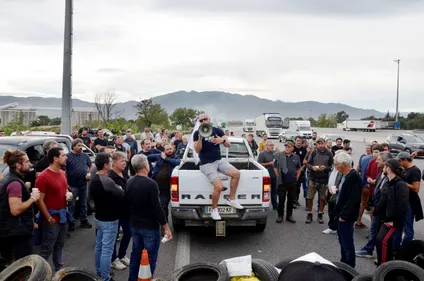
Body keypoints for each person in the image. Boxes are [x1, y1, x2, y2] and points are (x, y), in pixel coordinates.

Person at [126, 154, 173, 281]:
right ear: (146, 165)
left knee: (135, 254)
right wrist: (166, 227)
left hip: (135, 225)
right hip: (150, 227)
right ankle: (147, 278)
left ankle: (133, 278)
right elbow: (157, 208)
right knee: (150, 257)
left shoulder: (129, 182)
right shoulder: (151, 184)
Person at [193, 114, 243, 220]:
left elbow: (228, 144)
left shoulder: (217, 130)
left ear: (209, 120)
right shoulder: (197, 133)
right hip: (206, 164)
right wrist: (200, 138)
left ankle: (232, 199)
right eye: (201, 120)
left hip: (219, 160)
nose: (203, 122)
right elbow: (197, 150)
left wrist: (223, 140)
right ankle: (214, 210)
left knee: (236, 174)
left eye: (205, 119)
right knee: (219, 187)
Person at [35, 147, 72, 272]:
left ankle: (59, 270)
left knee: (59, 246)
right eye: (63, 155)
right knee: (47, 249)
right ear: (55, 158)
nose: (66, 157)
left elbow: (65, 188)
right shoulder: (43, 177)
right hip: (51, 219)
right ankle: (38, 274)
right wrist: (48, 217)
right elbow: (39, 200)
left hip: (63, 216)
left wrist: (67, 195)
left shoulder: (62, 172)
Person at [0, 150, 40, 263]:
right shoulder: (15, 183)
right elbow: (15, 210)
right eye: (27, 162)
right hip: (17, 234)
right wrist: (33, 198)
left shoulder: (9, 179)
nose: (30, 164)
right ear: (18, 165)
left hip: (12, 230)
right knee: (22, 266)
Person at [91, 153, 124, 281]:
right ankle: (105, 277)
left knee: (99, 247)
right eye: (110, 162)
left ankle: (99, 272)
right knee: (107, 251)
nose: (111, 163)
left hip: (99, 218)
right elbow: (121, 193)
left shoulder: (94, 179)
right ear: (105, 165)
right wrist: (120, 188)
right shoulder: (107, 180)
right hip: (109, 220)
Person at [356, 152, 392, 259]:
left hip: (384, 210)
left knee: (381, 233)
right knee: (374, 229)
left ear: (386, 162)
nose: (376, 161)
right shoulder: (381, 172)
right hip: (376, 206)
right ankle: (369, 250)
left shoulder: (391, 176)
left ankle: (381, 256)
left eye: (379, 159)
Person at [375, 159, 409, 265]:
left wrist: (392, 220)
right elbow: (383, 199)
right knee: (384, 242)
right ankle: (386, 264)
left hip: (392, 220)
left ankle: (383, 267)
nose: (383, 168)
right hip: (383, 218)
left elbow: (402, 205)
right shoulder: (387, 182)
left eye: (385, 167)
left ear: (388, 168)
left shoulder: (401, 184)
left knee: (382, 240)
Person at [333, 152, 362, 268]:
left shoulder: (353, 177)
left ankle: (349, 268)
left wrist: (344, 216)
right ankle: (343, 263)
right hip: (342, 214)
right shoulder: (345, 175)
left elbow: (353, 200)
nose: (334, 166)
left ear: (343, 164)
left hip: (346, 217)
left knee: (347, 243)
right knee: (342, 242)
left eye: (336, 164)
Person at [395, 152, 423, 247]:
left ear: (405, 160)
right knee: (398, 227)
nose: (399, 163)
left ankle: (404, 251)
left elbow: (416, 189)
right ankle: (396, 249)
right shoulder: (405, 169)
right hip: (402, 202)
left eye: (399, 161)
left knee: (408, 231)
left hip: (409, 204)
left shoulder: (415, 171)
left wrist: (402, 183)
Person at [109, 152, 131, 271]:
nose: (124, 163)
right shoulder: (110, 176)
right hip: (115, 211)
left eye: (125, 161)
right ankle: (113, 259)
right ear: (114, 162)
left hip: (126, 210)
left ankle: (122, 254)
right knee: (115, 235)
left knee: (128, 232)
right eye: (122, 161)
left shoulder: (124, 173)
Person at [147, 144, 181, 221]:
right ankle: (155, 221)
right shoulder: (159, 156)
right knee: (153, 204)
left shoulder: (176, 157)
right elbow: (147, 158)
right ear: (164, 151)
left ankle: (164, 223)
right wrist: (150, 169)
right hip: (155, 185)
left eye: (170, 149)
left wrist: (165, 158)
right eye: (167, 149)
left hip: (166, 187)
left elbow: (176, 163)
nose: (169, 150)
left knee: (163, 205)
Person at [67, 139, 93, 231]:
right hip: (72, 185)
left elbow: (91, 165)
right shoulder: (68, 157)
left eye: (81, 146)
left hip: (83, 184)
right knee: (71, 205)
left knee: (83, 204)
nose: (81, 147)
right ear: (73, 146)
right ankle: (71, 223)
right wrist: (66, 184)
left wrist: (89, 173)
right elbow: (63, 171)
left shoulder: (85, 156)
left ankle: (84, 221)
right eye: (78, 145)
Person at [306, 138, 334, 224]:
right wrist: (312, 167)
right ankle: (310, 213)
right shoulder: (313, 152)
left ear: (325, 144)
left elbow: (332, 167)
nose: (320, 145)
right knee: (310, 197)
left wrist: (325, 168)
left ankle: (320, 213)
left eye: (322, 143)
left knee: (322, 198)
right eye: (319, 144)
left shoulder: (329, 154)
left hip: (324, 180)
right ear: (316, 145)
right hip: (313, 179)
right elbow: (308, 164)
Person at [273, 140, 301, 223]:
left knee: (290, 200)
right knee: (281, 200)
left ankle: (289, 216)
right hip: (282, 182)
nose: (287, 148)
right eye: (286, 147)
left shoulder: (296, 157)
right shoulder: (279, 155)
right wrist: (278, 176)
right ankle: (280, 216)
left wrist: (297, 178)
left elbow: (299, 168)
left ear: (292, 148)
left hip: (292, 182)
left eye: (289, 147)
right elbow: (275, 167)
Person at [257, 140, 278, 210]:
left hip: (274, 175)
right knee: (266, 191)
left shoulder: (274, 153)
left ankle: (275, 205)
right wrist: (269, 163)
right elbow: (259, 164)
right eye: (271, 145)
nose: (272, 146)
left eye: (273, 145)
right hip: (266, 177)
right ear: (267, 146)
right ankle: (265, 205)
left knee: (274, 191)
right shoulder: (262, 154)